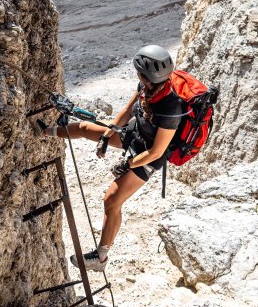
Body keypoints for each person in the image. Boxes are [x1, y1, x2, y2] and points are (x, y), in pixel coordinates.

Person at [39, 45, 184, 272]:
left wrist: (127, 163)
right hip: (136, 135)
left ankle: (101, 257)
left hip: (147, 155)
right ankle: (44, 131)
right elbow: (126, 112)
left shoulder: (171, 108)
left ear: (144, 74)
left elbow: (156, 152)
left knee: (112, 200)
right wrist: (107, 135)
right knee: (87, 128)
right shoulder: (148, 86)